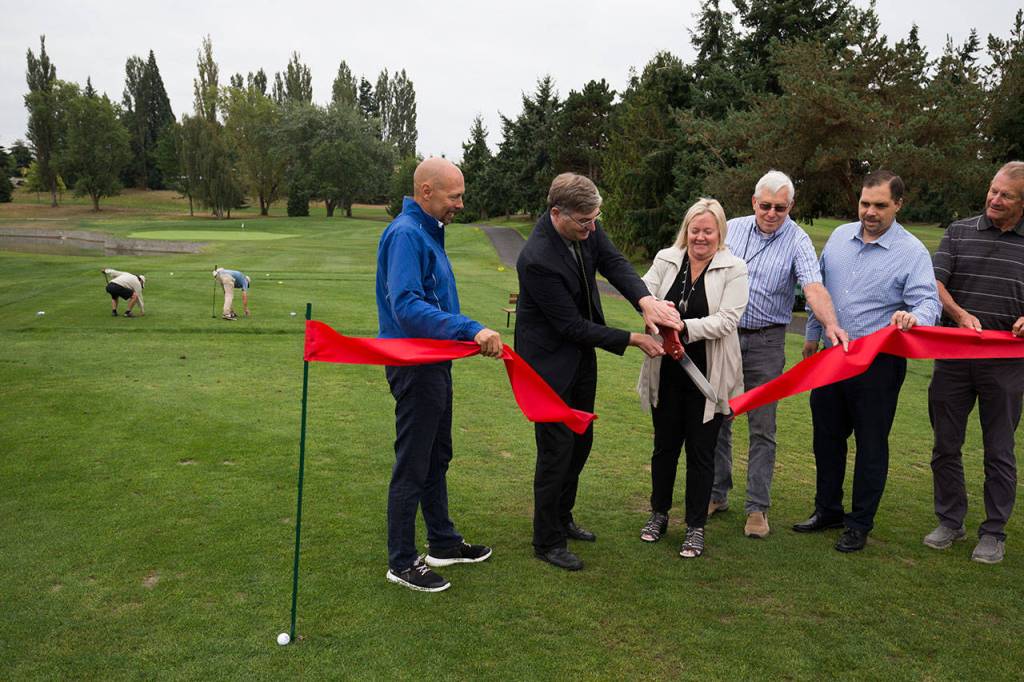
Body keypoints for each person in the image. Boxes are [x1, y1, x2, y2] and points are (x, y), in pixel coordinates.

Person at [515, 172, 680, 571]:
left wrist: (645, 301)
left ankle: (562, 516)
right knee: (556, 451)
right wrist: (632, 338)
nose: (592, 229)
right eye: (584, 222)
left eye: (595, 220)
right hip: (547, 366)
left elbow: (614, 262)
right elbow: (569, 325)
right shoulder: (536, 259)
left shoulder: (587, 227)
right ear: (557, 213)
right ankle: (546, 540)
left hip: (580, 358)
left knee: (581, 442)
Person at [794, 170, 940, 552]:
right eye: (864, 203)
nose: (869, 212)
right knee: (826, 439)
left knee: (871, 444)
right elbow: (818, 288)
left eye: (879, 205)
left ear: (898, 205)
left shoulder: (912, 252)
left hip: (878, 365)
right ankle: (827, 510)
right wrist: (812, 334)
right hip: (831, 358)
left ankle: (859, 523)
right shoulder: (840, 237)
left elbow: (929, 303)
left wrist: (914, 317)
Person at [375, 157, 502, 593]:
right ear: (425, 192)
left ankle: (443, 542)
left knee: (436, 456)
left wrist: (462, 333)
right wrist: (469, 329)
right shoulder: (407, 234)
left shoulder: (428, 232)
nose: (461, 204)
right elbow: (407, 306)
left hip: (435, 363)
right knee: (413, 462)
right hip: (414, 365)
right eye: (455, 196)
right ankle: (402, 560)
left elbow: (433, 303)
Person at [710, 171, 848, 539]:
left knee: (762, 427)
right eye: (766, 205)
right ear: (754, 202)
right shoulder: (732, 229)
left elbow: (813, 286)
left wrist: (830, 324)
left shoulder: (798, 240)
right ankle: (716, 493)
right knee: (718, 417)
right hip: (723, 337)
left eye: (780, 208)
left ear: (791, 207)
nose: (772, 213)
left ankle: (757, 509)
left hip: (767, 342)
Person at [636, 198, 748, 558]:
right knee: (664, 448)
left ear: (720, 233)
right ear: (687, 230)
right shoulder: (666, 259)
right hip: (666, 372)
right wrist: (652, 313)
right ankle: (658, 514)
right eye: (695, 230)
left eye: (708, 231)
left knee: (702, 454)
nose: (700, 237)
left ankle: (695, 527)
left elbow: (728, 320)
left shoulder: (734, 267)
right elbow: (643, 293)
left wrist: (682, 326)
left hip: (708, 377)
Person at [925, 161, 1024, 564]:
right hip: (954, 356)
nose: (994, 199)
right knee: (945, 444)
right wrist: (960, 314)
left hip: (1006, 363)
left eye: (1006, 195)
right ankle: (951, 520)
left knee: (999, 450)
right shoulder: (959, 231)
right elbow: (935, 283)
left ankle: (993, 531)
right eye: (993, 190)